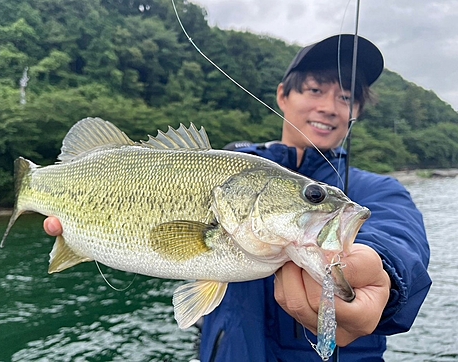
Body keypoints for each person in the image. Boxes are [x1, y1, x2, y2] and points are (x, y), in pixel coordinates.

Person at [43, 34, 431, 361]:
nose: (329, 107)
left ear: (356, 112)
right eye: (315, 90)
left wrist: (385, 274)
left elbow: (399, 242)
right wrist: (88, 236)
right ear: (283, 95)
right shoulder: (225, 166)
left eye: (346, 98)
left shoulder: (379, 191)